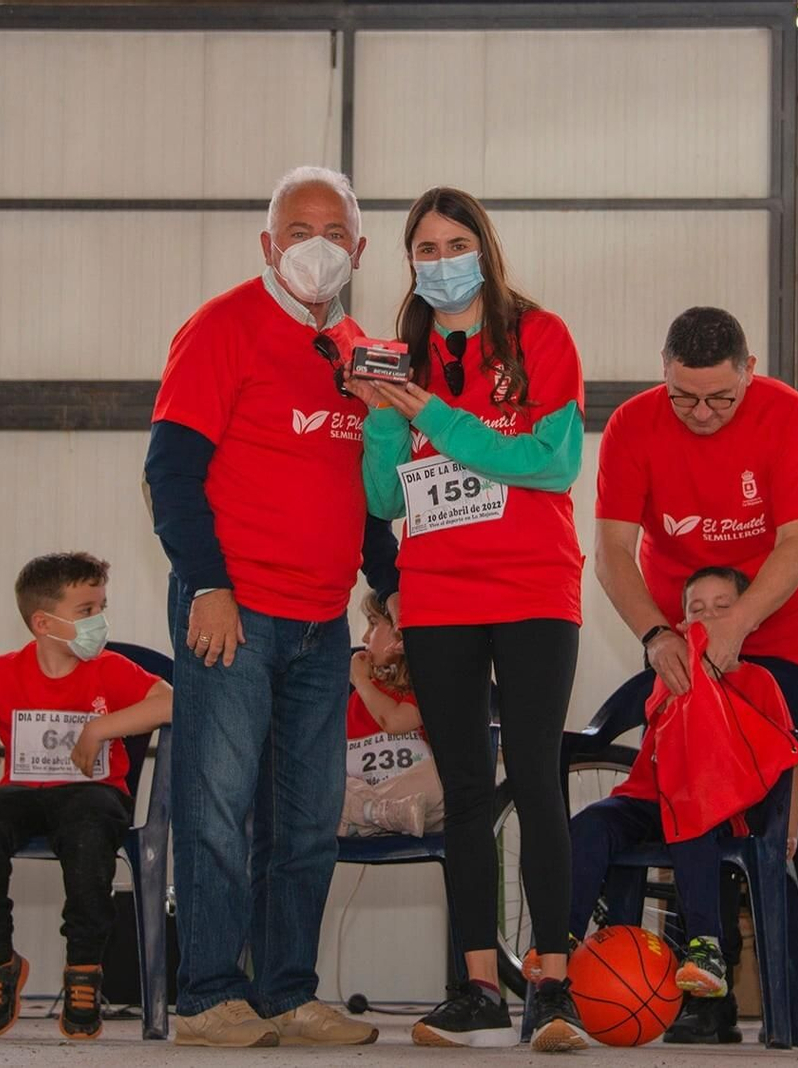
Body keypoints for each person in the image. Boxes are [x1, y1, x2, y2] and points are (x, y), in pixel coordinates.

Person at [143, 165, 399, 1049]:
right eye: (298, 231)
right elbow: (171, 473)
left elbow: (368, 496)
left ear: (360, 249)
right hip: (234, 614)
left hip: (323, 625)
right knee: (216, 810)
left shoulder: (360, 353)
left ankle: (287, 991)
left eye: (334, 234)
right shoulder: (222, 327)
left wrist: (390, 589)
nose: (316, 248)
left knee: (307, 821)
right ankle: (209, 995)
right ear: (268, 243)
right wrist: (208, 587)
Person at [356, 187, 588, 1051]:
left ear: (484, 250)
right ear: (409, 261)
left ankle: (552, 984)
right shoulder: (403, 357)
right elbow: (385, 499)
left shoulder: (540, 336)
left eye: (457, 244)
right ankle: (478, 986)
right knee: (463, 791)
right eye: (426, 248)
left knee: (535, 775)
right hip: (439, 595)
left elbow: (551, 462)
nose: (442, 260)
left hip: (532, 587)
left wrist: (435, 416)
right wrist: (384, 418)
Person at [593, 305, 798, 1043]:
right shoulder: (633, 427)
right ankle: (709, 994)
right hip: (685, 635)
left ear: (750, 372)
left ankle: (794, 994)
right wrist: (657, 633)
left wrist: (740, 624)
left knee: (782, 818)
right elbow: (611, 552)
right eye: (684, 397)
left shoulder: (789, 417)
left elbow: (797, 544)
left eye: (720, 399)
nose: (702, 413)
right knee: (693, 798)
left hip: (787, 629)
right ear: (662, 374)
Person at [0, 552, 172, 1041]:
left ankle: (84, 969)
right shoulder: (3, 671)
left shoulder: (112, 670)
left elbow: (170, 702)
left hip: (93, 794)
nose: (99, 621)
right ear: (43, 623)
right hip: (23, 793)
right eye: (86, 610)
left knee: (90, 835)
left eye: (102, 607)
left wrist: (101, 728)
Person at [552, 566, 798, 998]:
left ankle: (705, 947)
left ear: (748, 618)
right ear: (682, 623)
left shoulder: (759, 682)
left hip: (716, 805)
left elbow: (790, 760)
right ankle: (562, 941)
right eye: (696, 610)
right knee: (590, 825)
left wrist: (789, 829)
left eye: (722, 607)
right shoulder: (670, 673)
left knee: (693, 814)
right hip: (649, 797)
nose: (708, 617)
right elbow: (667, 725)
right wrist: (692, 666)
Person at [341, 591, 443, 837]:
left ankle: (364, 815)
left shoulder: (425, 688)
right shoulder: (356, 699)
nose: (365, 637)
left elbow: (393, 721)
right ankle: (376, 813)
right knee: (318, 779)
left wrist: (360, 680)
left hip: (416, 801)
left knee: (442, 776)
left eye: (373, 624)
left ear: (400, 628)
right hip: (368, 794)